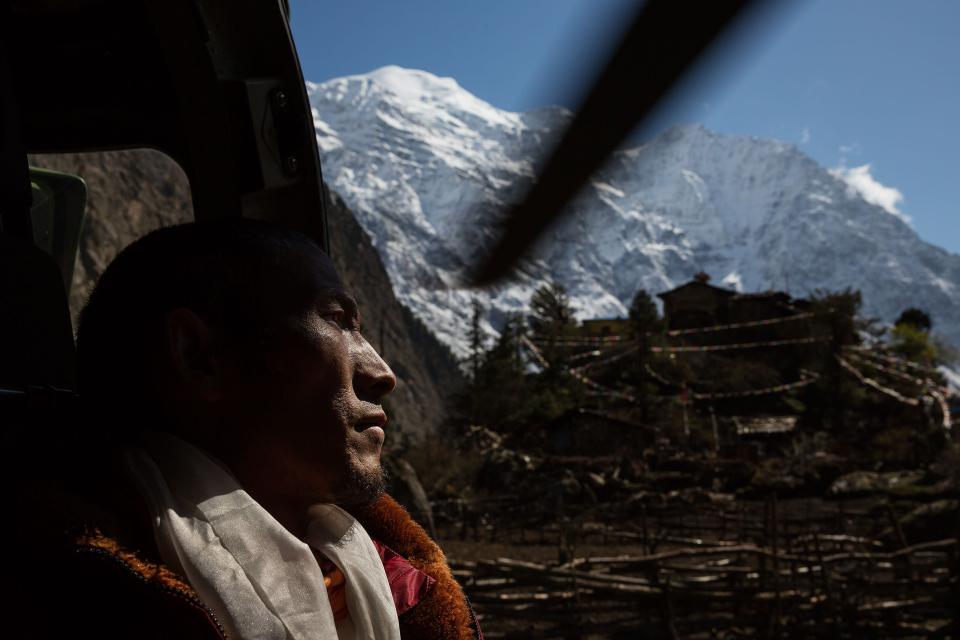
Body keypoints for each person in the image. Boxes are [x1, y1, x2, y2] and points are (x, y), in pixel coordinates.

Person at [30, 219, 481, 639]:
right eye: (338, 321)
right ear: (201, 357)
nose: (383, 374)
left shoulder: (399, 582)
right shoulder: (65, 597)